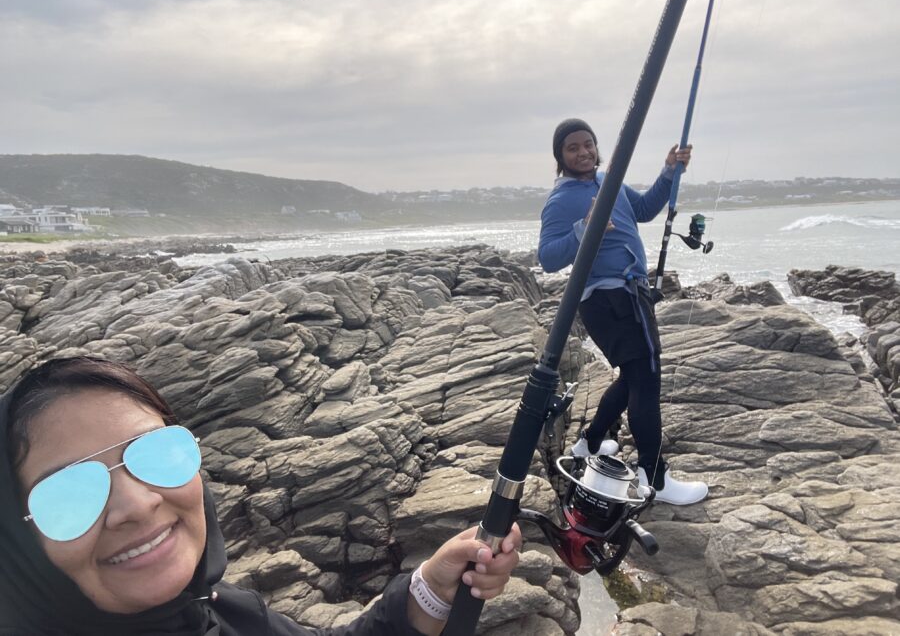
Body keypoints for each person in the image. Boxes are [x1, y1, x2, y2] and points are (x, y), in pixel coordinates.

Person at [0, 356, 522, 635]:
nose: (137, 505)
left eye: (155, 452)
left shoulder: (222, 611)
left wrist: (431, 588)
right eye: (68, 492)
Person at [538, 117, 708, 506]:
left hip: (628, 293)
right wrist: (585, 226)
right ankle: (654, 477)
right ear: (560, 157)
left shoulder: (607, 182)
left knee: (634, 376)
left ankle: (589, 443)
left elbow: (644, 209)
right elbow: (547, 258)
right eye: (572, 148)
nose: (583, 152)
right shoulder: (561, 199)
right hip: (611, 298)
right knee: (647, 378)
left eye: (588, 144)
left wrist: (669, 172)